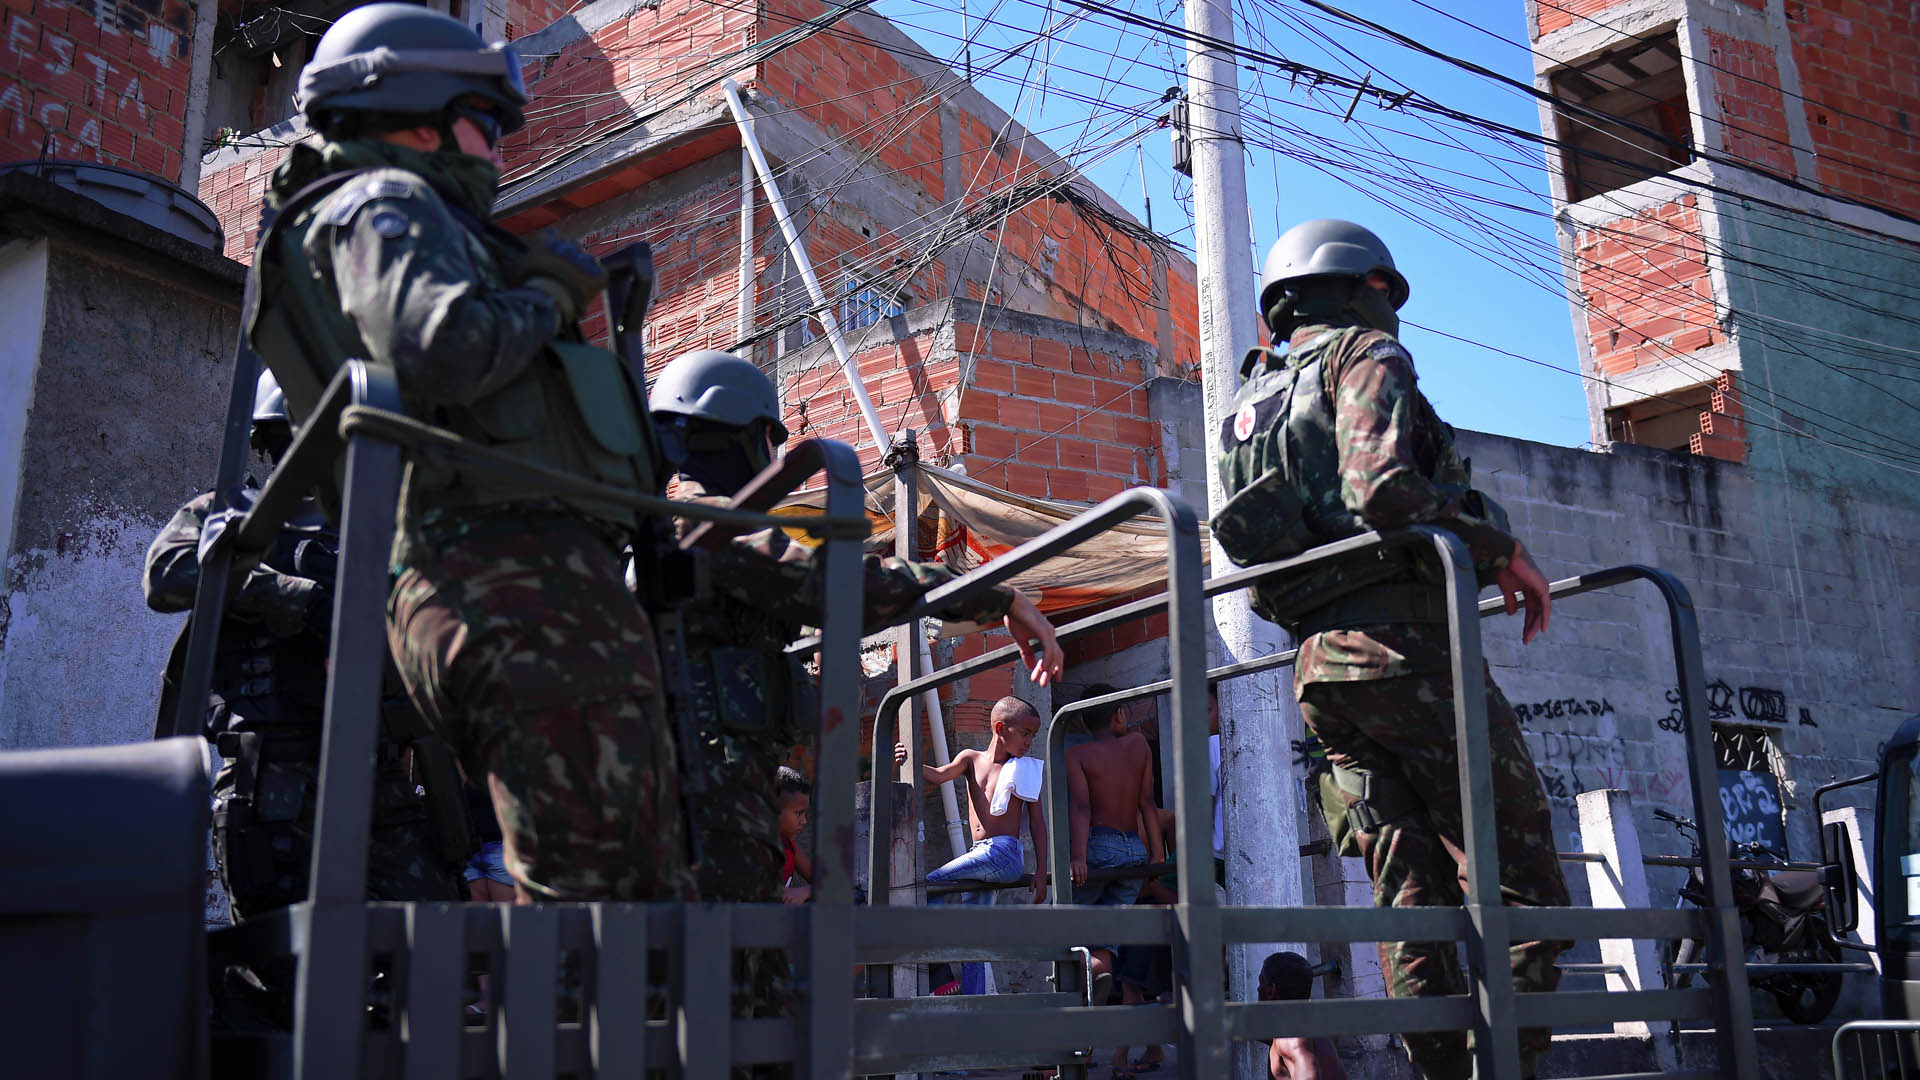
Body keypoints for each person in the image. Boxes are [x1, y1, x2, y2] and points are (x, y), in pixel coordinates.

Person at [249, 3, 692, 902]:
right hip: (505, 579)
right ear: (417, 108)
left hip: (514, 575)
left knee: (617, 888)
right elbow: (442, 346)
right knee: (600, 903)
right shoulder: (382, 201)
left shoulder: (375, 210)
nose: (495, 152)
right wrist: (544, 296)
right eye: (485, 125)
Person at [1214, 218, 1569, 1080]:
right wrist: (1497, 547)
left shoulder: (1249, 399)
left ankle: (1442, 1068)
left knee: (1410, 889)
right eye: (1384, 290)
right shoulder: (1363, 353)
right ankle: (1510, 1065)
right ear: (1360, 286)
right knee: (1526, 884)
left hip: (1319, 669)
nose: (1390, 308)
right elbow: (1380, 488)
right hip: (1405, 652)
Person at [649, 348, 1064, 904]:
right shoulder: (711, 531)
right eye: (769, 442)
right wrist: (1000, 597)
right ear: (744, 439)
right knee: (733, 970)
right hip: (710, 805)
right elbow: (846, 584)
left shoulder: (668, 532)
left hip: (697, 795)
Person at [145, 371, 462, 924]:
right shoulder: (227, 513)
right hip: (272, 777)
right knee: (278, 965)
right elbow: (166, 575)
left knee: (435, 944)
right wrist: (294, 597)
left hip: (376, 776)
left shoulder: (379, 531)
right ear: (272, 439)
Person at [896, 696, 1052, 995]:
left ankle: (935, 963)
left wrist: (1041, 872)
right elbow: (939, 775)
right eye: (1026, 733)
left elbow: (1038, 823)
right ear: (1000, 728)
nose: (1030, 741)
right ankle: (974, 1003)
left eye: (1033, 734)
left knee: (931, 884)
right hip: (980, 858)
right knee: (973, 936)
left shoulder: (1025, 769)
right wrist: (909, 758)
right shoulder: (970, 759)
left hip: (1004, 854)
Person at [1065, 686, 1164, 1013]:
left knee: (1075, 932)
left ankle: (1082, 1000)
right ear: (1119, 714)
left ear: (1083, 722)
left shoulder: (1077, 756)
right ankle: (1099, 974)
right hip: (1134, 851)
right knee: (1105, 939)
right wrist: (1157, 856)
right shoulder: (1138, 745)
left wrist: (1078, 856)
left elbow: (1081, 809)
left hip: (1099, 848)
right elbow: (1147, 801)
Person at [1260, 952, 1347, 1080]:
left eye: (1261, 982)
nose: (1258, 988)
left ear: (1270, 991)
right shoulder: (1307, 1026)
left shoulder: (1290, 1036)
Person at [776, 766, 813, 905]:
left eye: (805, 814)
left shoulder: (788, 846)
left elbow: (824, 882)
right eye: (799, 813)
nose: (804, 821)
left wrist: (805, 891)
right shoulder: (757, 847)